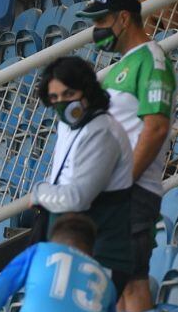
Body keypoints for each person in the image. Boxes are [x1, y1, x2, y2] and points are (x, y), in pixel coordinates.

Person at [79, 0, 177, 312]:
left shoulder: (152, 59)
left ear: (124, 18)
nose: (97, 30)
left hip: (133, 194)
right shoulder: (119, 69)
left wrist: (122, 181)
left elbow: (156, 128)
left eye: (102, 20)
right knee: (113, 285)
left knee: (133, 283)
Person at [33, 55, 134, 295]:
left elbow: (78, 197)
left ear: (86, 91)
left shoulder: (102, 132)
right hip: (72, 249)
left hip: (101, 251)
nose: (61, 104)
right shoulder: (70, 126)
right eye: (54, 98)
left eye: (68, 95)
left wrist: (39, 192)